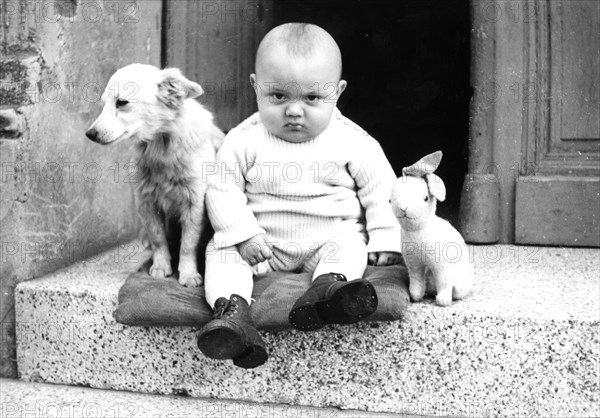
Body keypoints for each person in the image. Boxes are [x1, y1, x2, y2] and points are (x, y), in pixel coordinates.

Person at [197, 22, 401, 368]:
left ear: (337, 92)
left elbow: (381, 188)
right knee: (221, 250)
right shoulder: (243, 139)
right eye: (278, 96)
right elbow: (221, 187)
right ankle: (232, 312)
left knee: (351, 245)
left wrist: (384, 238)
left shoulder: (352, 140)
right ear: (255, 87)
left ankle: (330, 289)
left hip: (327, 238)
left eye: (311, 98)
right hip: (261, 245)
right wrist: (243, 234)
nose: (294, 110)